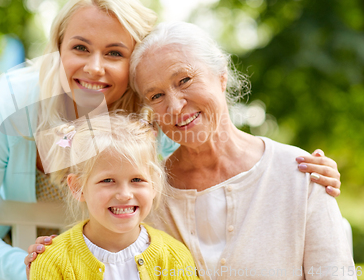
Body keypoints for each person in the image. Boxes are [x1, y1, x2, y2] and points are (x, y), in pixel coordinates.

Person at [0, 0, 341, 280]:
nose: (95, 68)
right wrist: (44, 269)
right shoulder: (17, 103)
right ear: (58, 47)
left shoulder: (154, 117)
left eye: (115, 53)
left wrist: (302, 176)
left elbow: (206, 165)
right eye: (80, 48)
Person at [128, 22, 355, 279]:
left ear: (221, 76)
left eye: (184, 80)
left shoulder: (302, 174)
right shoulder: (145, 193)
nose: (175, 106)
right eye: (156, 96)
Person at [29, 113, 199, 279]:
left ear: (154, 184)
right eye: (108, 180)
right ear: (78, 187)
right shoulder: (52, 262)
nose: (125, 195)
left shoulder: (174, 258)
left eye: (137, 179)